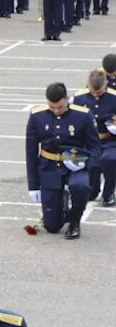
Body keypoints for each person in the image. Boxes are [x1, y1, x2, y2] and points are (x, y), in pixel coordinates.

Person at [26, 81, 101, 240]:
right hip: (49, 167)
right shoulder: (37, 116)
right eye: (52, 107)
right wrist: (33, 185)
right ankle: (61, 199)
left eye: (60, 106)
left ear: (67, 99)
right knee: (52, 226)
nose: (56, 111)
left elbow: (95, 148)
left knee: (80, 187)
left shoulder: (83, 115)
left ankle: (74, 221)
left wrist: (84, 162)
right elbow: (31, 152)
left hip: (75, 165)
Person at [73, 69, 116, 207]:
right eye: (93, 91)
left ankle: (108, 193)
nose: (96, 94)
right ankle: (92, 190)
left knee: (109, 160)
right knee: (93, 168)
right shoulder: (80, 98)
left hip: (109, 140)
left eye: (99, 91)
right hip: (89, 142)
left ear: (106, 85)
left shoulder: (114, 97)